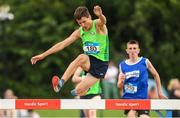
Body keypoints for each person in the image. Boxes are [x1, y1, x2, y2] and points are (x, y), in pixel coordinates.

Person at [31, 5, 109, 96]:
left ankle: (85, 88)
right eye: (80, 23)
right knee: (81, 57)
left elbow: (103, 21)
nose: (83, 25)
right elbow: (62, 44)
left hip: (101, 64)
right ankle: (61, 83)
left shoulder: (97, 25)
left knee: (77, 91)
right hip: (88, 61)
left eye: (84, 22)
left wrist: (100, 15)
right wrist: (43, 55)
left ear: (90, 17)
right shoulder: (80, 32)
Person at [117, 40, 167, 118]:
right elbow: (119, 85)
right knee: (131, 116)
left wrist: (159, 92)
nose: (132, 51)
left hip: (142, 98)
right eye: (130, 48)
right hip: (129, 99)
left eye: (134, 48)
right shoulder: (122, 65)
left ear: (138, 50)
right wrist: (120, 82)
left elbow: (156, 75)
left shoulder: (144, 61)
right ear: (127, 51)